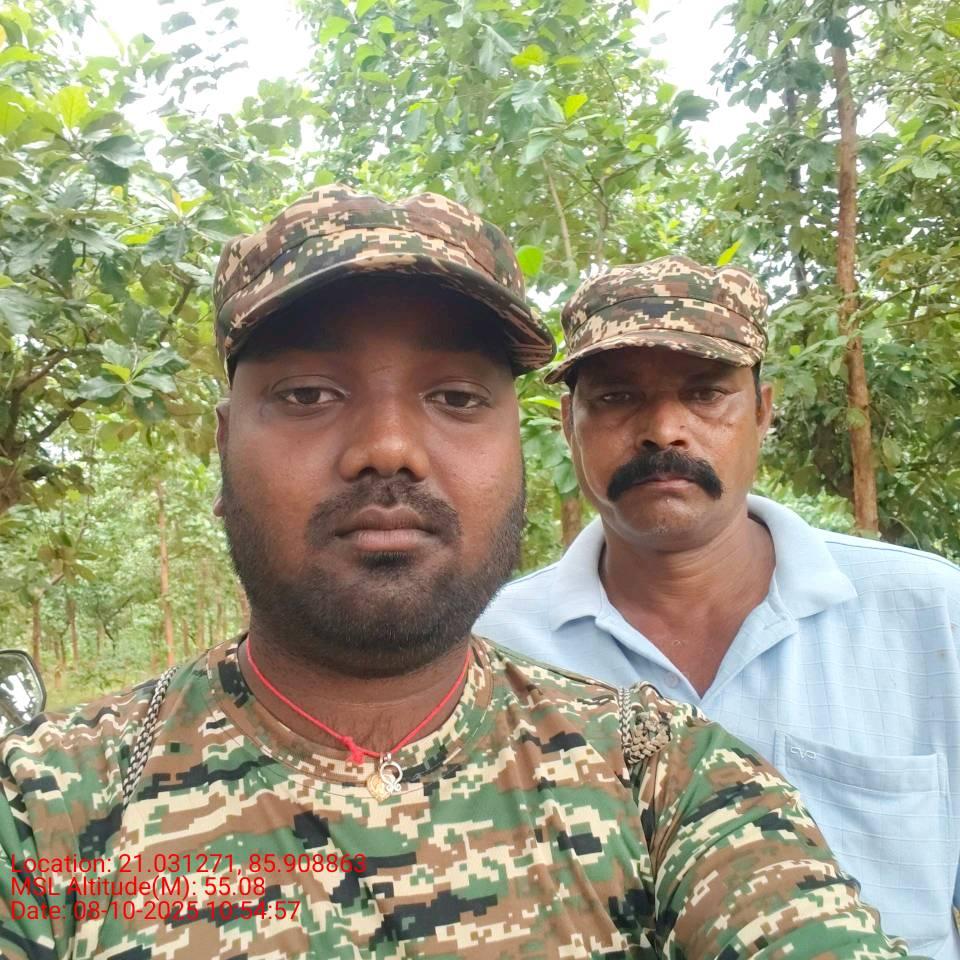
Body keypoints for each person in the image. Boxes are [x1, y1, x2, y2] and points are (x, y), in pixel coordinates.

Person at [0, 192, 916, 960]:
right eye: (309, 394)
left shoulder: (660, 777)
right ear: (224, 444)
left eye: (455, 397)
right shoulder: (47, 804)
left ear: (518, 449)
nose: (388, 447)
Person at [477, 254, 960, 957]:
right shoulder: (490, 646)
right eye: (616, 397)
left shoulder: (930, 616)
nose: (664, 430)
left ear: (763, 412)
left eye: (705, 394)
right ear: (568, 425)